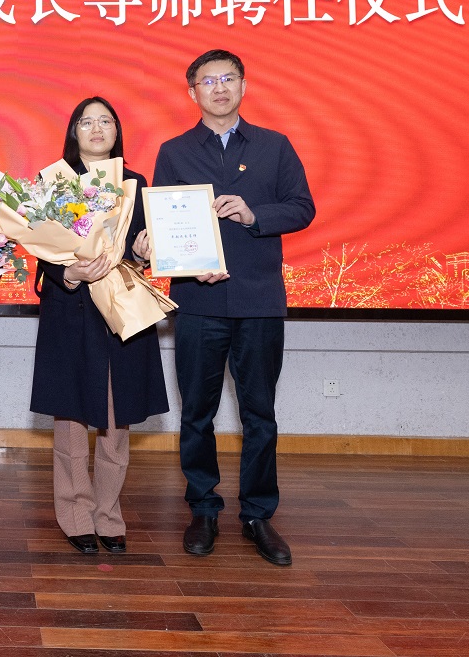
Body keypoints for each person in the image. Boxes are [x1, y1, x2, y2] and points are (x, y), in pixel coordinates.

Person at [134, 49, 315, 565]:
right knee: (197, 412)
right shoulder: (174, 151)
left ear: (243, 86)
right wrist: (185, 264)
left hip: (259, 300)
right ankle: (203, 508)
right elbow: (168, 223)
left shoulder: (275, 146)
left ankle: (258, 514)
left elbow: (303, 208)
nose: (219, 88)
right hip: (198, 300)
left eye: (228, 78)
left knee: (260, 414)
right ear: (192, 92)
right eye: (208, 81)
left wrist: (254, 214)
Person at [30, 97, 170, 554]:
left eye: (105, 121)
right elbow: (40, 251)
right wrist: (69, 273)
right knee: (71, 421)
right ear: (73, 131)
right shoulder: (53, 182)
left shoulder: (135, 183)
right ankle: (75, 515)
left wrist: (144, 252)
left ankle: (108, 515)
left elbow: (140, 250)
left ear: (116, 130)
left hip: (120, 309)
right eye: (86, 121)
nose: (96, 128)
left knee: (116, 420)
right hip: (71, 309)